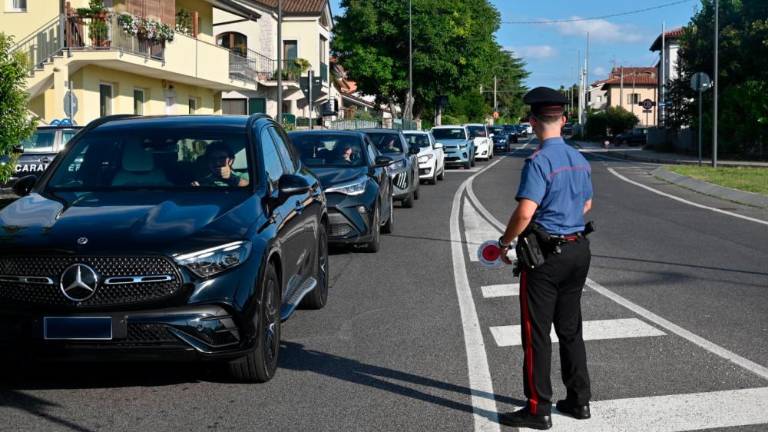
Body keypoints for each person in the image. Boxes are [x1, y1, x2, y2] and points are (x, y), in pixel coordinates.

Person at [497, 87, 594, 430]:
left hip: (546, 257)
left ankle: (538, 409)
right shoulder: (580, 159)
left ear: (533, 122)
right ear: (564, 120)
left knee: (536, 333)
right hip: (578, 250)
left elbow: (525, 212)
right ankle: (579, 401)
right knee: (570, 329)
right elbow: (586, 205)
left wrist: (505, 242)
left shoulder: (539, 161)